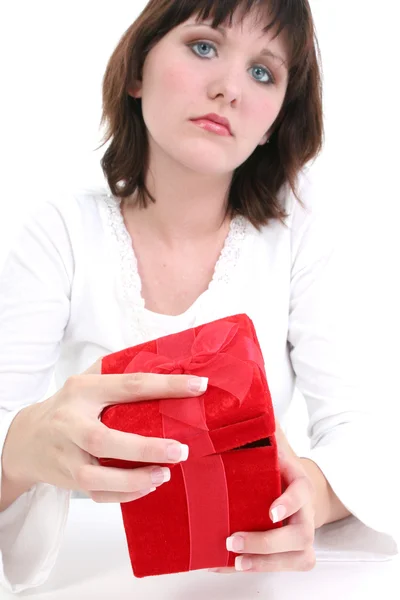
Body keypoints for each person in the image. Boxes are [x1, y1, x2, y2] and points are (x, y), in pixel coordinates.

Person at [0, 0, 398, 593]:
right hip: (89, 570)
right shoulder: (60, 227)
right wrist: (18, 450)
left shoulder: (301, 231)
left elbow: (369, 436)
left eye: (263, 72)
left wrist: (307, 491)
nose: (229, 89)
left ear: (274, 124)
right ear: (137, 70)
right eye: (205, 46)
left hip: (242, 572)